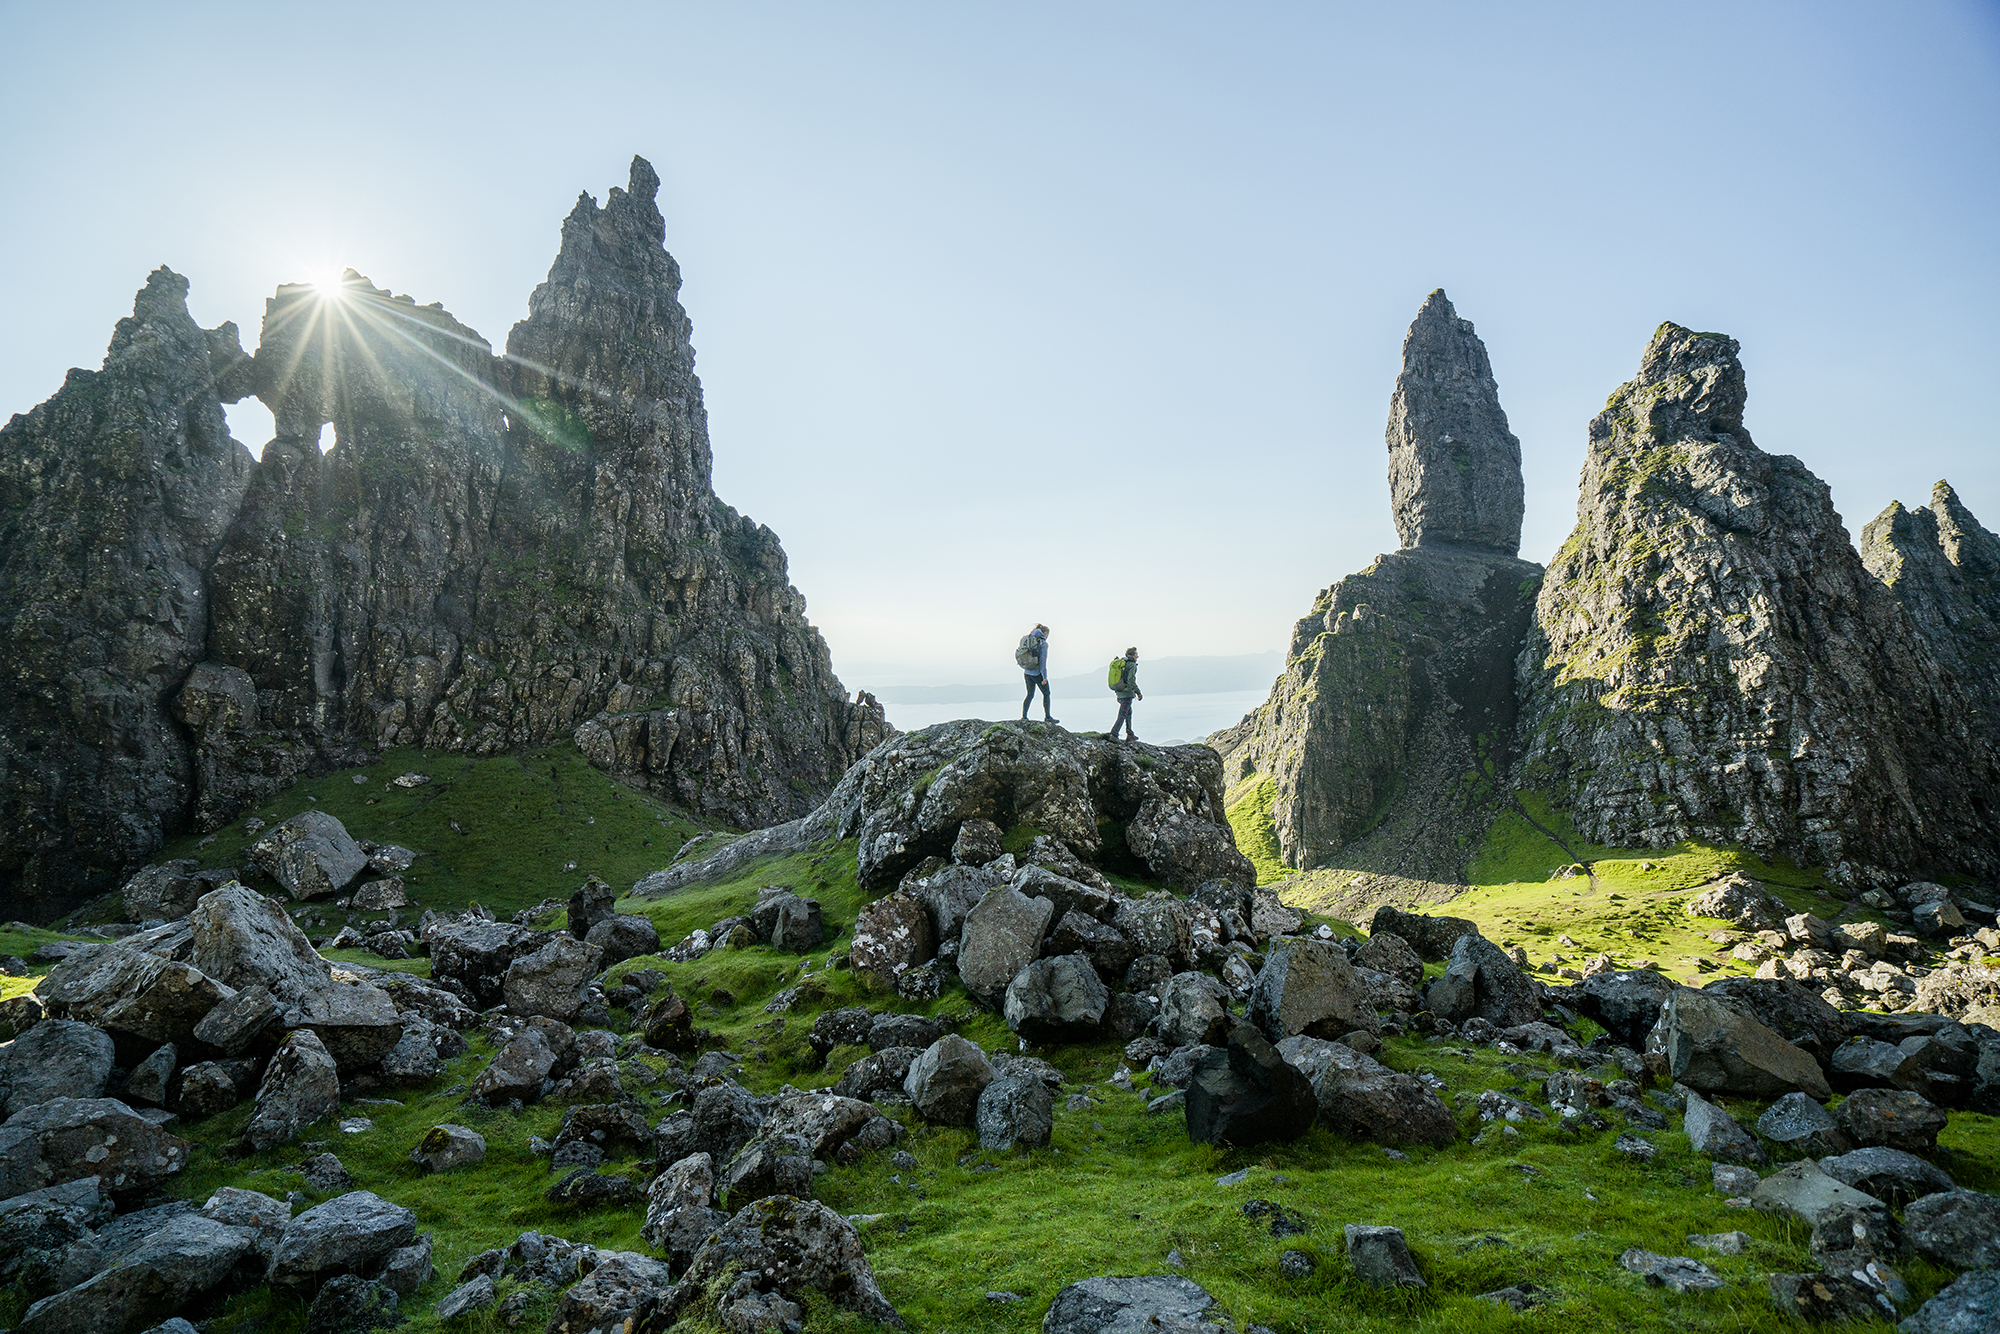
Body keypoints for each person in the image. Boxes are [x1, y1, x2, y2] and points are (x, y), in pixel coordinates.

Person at [1017, 624, 1057, 724]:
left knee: (1030, 694)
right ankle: (1048, 717)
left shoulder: (1029, 639)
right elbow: (1043, 662)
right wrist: (1044, 677)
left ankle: (1024, 717)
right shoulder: (1043, 643)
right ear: (1045, 633)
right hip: (1037, 674)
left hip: (1027, 672)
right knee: (1046, 694)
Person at [1108, 646, 1142, 740]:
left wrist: (1118, 693)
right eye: (1136, 655)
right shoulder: (1132, 665)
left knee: (1128, 712)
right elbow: (1130, 680)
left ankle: (1130, 733)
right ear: (1133, 655)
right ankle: (1114, 734)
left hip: (1120, 692)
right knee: (1123, 714)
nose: (1137, 657)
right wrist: (1138, 692)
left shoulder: (1122, 664)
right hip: (1127, 693)